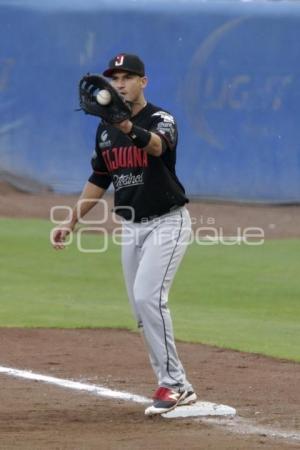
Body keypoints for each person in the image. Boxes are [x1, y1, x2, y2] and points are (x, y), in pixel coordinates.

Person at [53, 53, 196, 415]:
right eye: (114, 78)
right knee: (139, 308)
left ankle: (175, 386)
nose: (119, 84)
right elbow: (99, 180)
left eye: (127, 77)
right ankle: (173, 382)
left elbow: (158, 147)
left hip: (167, 221)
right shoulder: (104, 130)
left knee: (149, 298)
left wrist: (127, 126)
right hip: (131, 226)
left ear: (143, 82)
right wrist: (70, 221)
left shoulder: (161, 119)